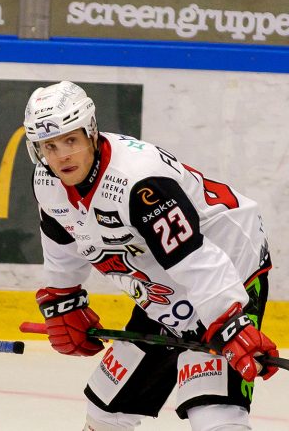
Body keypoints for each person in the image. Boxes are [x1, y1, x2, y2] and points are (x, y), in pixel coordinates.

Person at [23, 81, 279, 430]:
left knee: (212, 408)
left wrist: (230, 323)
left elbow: (194, 258)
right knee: (107, 409)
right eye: (49, 146)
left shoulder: (138, 181)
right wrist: (63, 297)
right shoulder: (48, 181)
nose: (62, 155)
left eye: (71, 140)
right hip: (164, 287)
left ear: (91, 133)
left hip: (227, 270)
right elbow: (62, 237)